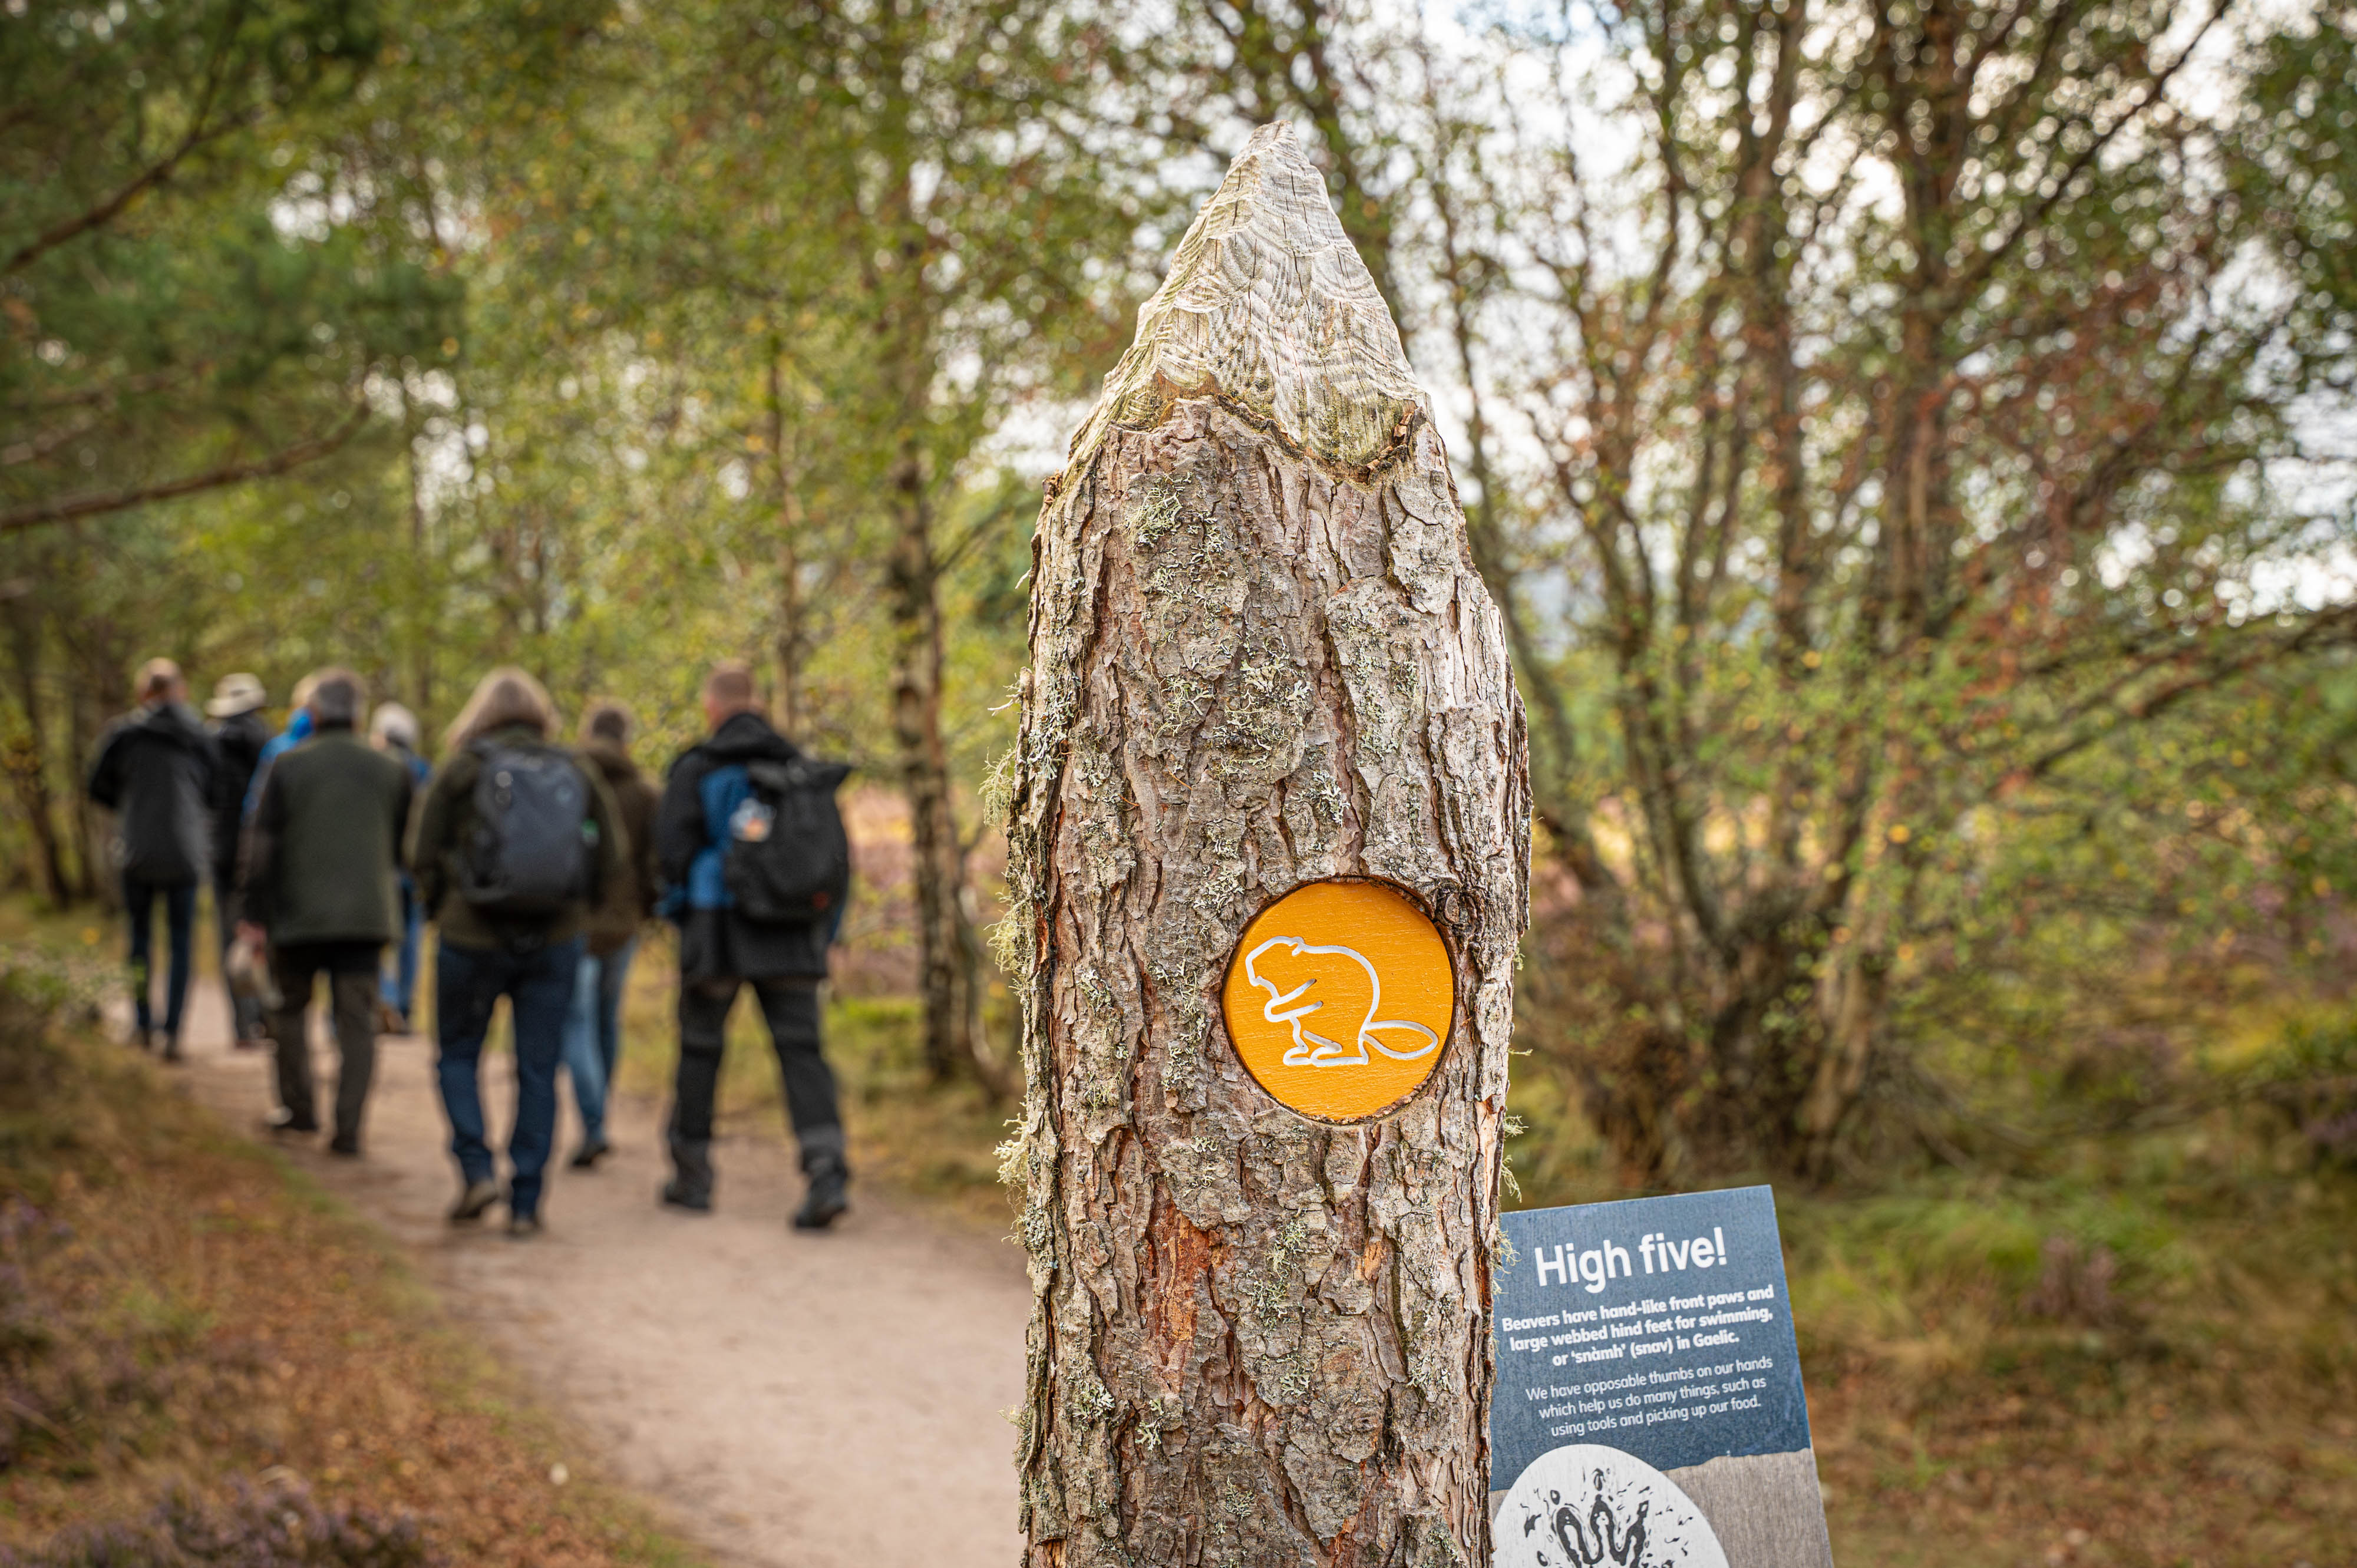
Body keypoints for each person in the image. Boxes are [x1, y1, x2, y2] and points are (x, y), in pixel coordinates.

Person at [409, 667, 622, 1237]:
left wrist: (440, 909)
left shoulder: (464, 767)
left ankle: (476, 1169)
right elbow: (613, 854)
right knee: (537, 1068)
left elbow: (420, 851)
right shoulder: (574, 768)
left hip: (468, 937)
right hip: (554, 941)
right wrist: (580, 913)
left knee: (458, 1055)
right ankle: (527, 1201)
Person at [655, 660, 851, 1230]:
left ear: (712, 706)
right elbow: (835, 863)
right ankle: (827, 1171)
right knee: (802, 1052)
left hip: (716, 931)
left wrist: (681, 918)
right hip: (791, 936)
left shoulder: (697, 768)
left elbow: (670, 854)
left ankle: (692, 1178)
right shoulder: (797, 766)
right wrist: (824, 934)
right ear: (758, 703)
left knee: (700, 1049)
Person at [236, 669, 412, 1154]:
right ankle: (349, 1128)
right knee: (357, 1023)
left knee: (288, 1011)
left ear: (312, 712)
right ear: (357, 713)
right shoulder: (391, 767)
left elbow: (261, 844)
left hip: (297, 917)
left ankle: (299, 1110)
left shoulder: (287, 764)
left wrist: (252, 911)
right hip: (365, 918)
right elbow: (401, 846)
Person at [86, 659, 217, 1061]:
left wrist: (129, 808)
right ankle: (173, 1031)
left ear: (144, 693)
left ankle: (143, 1025)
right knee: (181, 943)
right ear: (180, 691)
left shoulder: (124, 734)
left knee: (139, 939)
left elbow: (97, 787)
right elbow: (215, 790)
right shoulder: (198, 735)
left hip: (137, 851)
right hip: (185, 852)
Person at [562, 701, 660, 1169]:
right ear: (627, 740)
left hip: (574, 922)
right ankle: (599, 1119)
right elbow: (654, 866)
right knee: (605, 1020)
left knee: (576, 1024)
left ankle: (594, 1122)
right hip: (623, 925)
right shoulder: (645, 793)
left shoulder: (568, 783)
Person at [204, 672, 274, 1047]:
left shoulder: (207, 741)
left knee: (227, 935)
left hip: (219, 853)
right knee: (261, 935)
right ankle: (265, 1016)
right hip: (258, 853)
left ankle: (239, 1024)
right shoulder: (266, 740)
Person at [368, 702, 434, 1033]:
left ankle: (385, 998)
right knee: (410, 939)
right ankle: (404, 1006)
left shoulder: (374, 766)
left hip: (380, 867)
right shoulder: (424, 770)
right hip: (412, 871)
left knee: (377, 937)